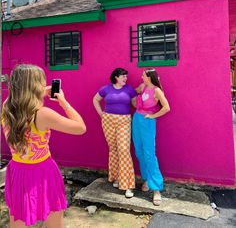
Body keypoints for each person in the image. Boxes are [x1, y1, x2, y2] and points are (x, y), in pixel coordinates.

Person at [1, 64, 86, 228]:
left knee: (18, 218)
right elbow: (81, 127)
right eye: (41, 82)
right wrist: (63, 102)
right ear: (34, 86)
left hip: (17, 171)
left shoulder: (7, 109)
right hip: (43, 172)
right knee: (53, 221)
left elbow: (17, 96)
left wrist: (36, 91)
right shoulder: (43, 114)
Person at [93, 67, 136, 198]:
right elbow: (95, 100)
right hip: (108, 120)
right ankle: (117, 177)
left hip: (124, 121)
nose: (125, 79)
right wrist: (101, 114)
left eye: (126, 77)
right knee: (113, 149)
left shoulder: (129, 89)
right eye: (123, 76)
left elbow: (136, 104)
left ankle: (127, 184)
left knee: (123, 149)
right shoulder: (106, 88)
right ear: (116, 77)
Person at [132, 68, 170, 206]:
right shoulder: (142, 86)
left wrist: (153, 116)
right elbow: (132, 93)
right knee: (139, 152)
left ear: (149, 77)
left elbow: (166, 107)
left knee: (149, 154)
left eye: (143, 75)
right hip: (136, 119)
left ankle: (156, 189)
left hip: (147, 122)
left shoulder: (157, 91)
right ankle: (147, 178)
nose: (141, 76)